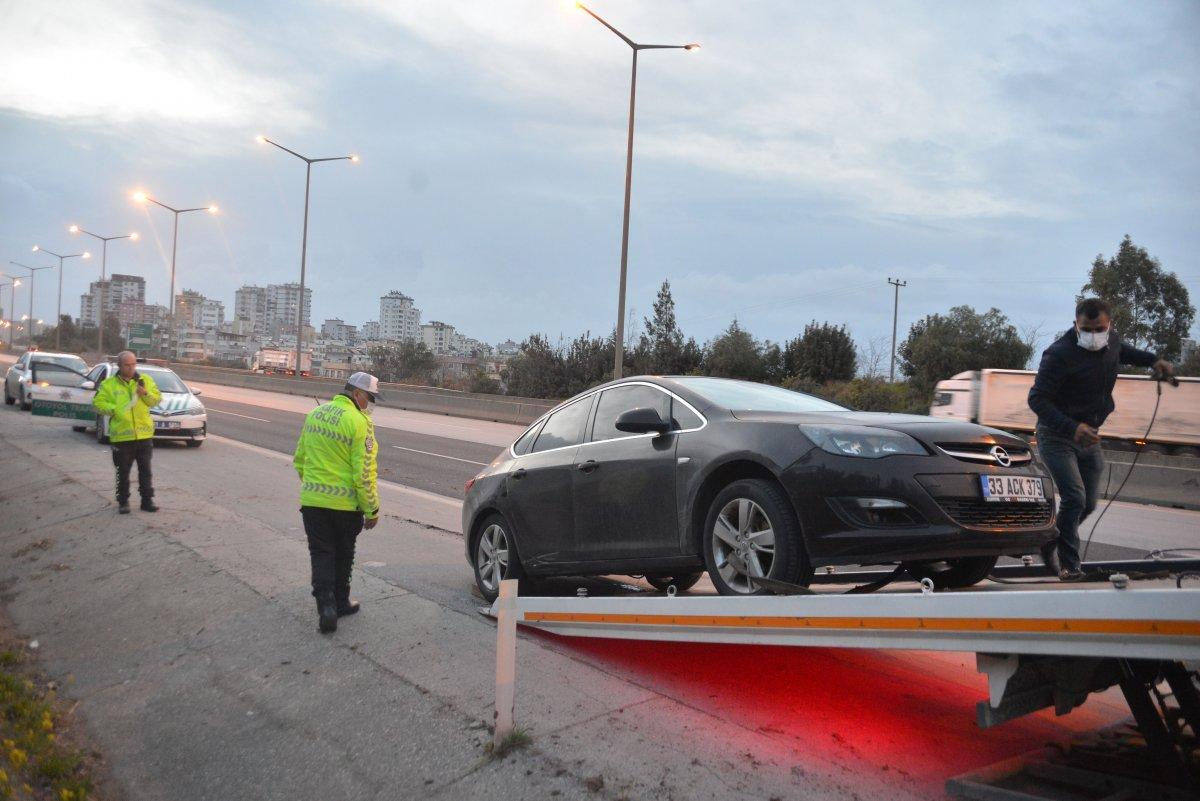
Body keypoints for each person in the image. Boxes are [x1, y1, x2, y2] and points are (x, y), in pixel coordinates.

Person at [1027, 298, 1174, 580]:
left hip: (1089, 437)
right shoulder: (1058, 354)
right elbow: (1037, 399)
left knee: (1090, 502)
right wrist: (1071, 427)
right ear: (1075, 325)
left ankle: (1050, 540)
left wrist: (1154, 360)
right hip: (1056, 435)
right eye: (1086, 329)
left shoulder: (1112, 342)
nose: (1093, 336)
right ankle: (1070, 566)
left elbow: (1125, 352)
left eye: (1099, 329)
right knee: (1075, 498)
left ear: (1109, 326)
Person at [292, 372, 382, 633]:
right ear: (357, 394)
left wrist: (313, 487)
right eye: (370, 398)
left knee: (320, 554)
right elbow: (363, 474)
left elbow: (299, 459)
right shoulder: (359, 422)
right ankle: (341, 603)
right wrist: (372, 510)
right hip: (345, 507)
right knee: (343, 554)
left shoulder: (314, 415)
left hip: (313, 503)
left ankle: (326, 607)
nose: (371, 404)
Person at [93, 351, 161, 514]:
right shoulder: (109, 385)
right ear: (120, 365)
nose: (131, 368)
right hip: (122, 437)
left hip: (144, 436)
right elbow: (98, 403)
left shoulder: (145, 381)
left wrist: (145, 393)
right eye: (127, 365)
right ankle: (123, 501)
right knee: (122, 472)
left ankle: (147, 500)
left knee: (146, 471)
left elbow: (156, 400)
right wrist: (115, 410)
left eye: (133, 364)